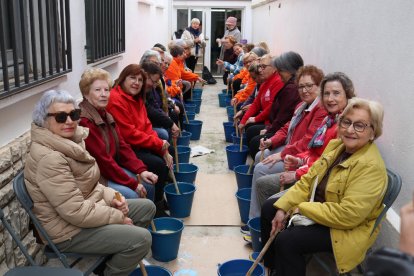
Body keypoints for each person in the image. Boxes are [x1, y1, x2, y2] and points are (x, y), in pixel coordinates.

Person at [24, 90, 156, 276]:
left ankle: (113, 258)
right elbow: (75, 211)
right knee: (141, 239)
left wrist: (114, 198)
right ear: (44, 120)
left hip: (86, 211)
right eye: (61, 116)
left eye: (74, 114)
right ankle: (111, 272)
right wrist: (117, 217)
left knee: (146, 207)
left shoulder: (70, 141)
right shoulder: (51, 158)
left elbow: (92, 185)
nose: (69, 121)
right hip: (68, 231)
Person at [260, 97, 386, 276]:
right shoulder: (338, 147)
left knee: (288, 241)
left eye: (360, 125)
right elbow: (308, 180)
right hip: (320, 209)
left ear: (373, 132)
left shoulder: (370, 167)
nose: (350, 130)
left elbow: (348, 216)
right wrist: (283, 206)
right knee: (269, 208)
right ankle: (272, 268)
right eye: (346, 122)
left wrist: (300, 208)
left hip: (344, 228)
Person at [245, 65, 327, 224]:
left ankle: (255, 219)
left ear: (319, 86)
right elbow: (286, 128)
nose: (304, 90)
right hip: (293, 150)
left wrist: (281, 154)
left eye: (310, 86)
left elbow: (306, 142)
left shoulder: (320, 110)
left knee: (262, 168)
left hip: (299, 157)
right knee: (259, 155)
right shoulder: (302, 106)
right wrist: (271, 140)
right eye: (301, 87)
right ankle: (257, 209)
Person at [78, 68, 157, 200]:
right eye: (98, 90)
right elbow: (103, 161)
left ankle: (150, 218)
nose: (104, 94)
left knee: (148, 183)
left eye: (107, 90)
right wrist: (133, 184)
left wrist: (141, 170)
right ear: (86, 94)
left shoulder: (105, 114)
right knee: (133, 194)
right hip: (97, 178)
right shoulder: (85, 121)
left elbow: (122, 145)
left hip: (111, 169)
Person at [107, 64, 173, 217]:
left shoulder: (137, 99)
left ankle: (159, 200)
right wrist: (159, 145)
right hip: (127, 148)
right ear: (123, 79)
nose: (136, 83)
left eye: (139, 80)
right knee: (158, 165)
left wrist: (161, 147)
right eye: (132, 78)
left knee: (167, 152)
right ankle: (156, 208)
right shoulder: (116, 99)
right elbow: (130, 134)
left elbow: (147, 126)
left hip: (137, 144)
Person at [141, 61, 180, 141]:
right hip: (145, 127)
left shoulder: (152, 86)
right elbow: (150, 110)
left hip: (156, 115)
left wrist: (167, 117)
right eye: (154, 82)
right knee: (163, 133)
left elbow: (157, 103)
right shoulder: (142, 90)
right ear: (145, 75)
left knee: (176, 111)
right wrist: (169, 121)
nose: (155, 85)